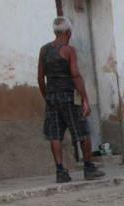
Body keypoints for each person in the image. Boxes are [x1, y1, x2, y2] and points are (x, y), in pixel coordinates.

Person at [37, 17, 104, 183]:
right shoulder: (69, 50)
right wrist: (85, 99)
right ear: (68, 32)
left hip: (52, 95)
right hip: (68, 95)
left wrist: (47, 95)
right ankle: (88, 167)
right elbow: (75, 74)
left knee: (55, 134)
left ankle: (60, 171)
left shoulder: (44, 50)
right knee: (82, 131)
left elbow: (40, 77)